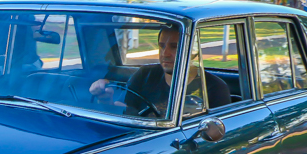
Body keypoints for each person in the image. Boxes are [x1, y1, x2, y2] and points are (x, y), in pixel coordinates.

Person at [88, 27, 230, 117]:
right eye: (161, 46)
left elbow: (216, 135)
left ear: (192, 51)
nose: (165, 53)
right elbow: (126, 110)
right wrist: (105, 100)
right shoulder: (145, 74)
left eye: (174, 47)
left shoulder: (214, 88)